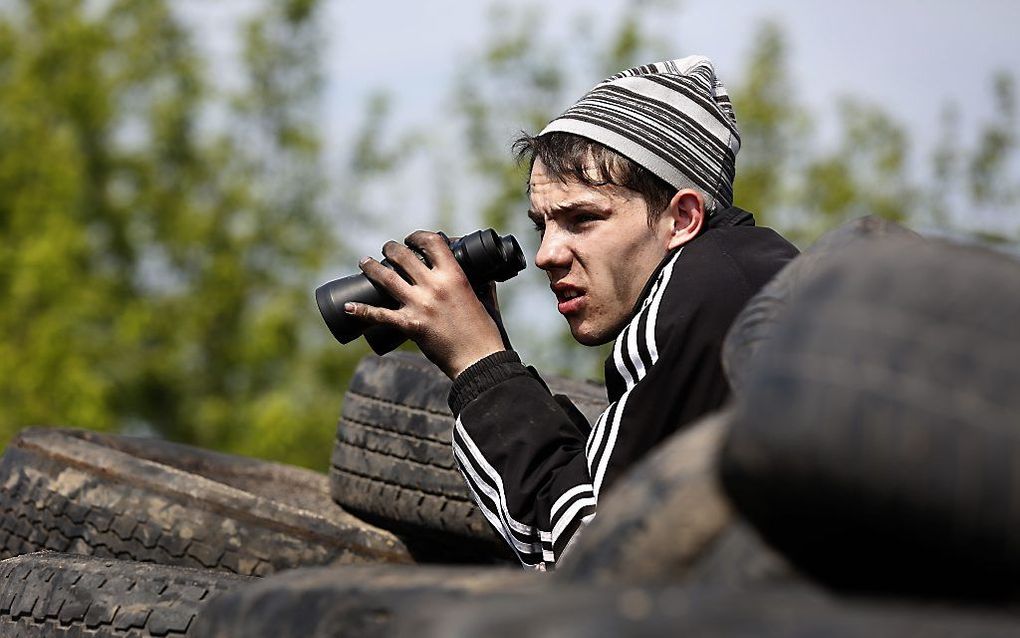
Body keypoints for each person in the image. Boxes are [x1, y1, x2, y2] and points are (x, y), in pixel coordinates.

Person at [344, 56, 799, 569]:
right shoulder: (751, 277)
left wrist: (479, 367)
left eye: (582, 218)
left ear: (683, 217)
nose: (546, 254)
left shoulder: (697, 295)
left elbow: (590, 554)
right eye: (542, 225)